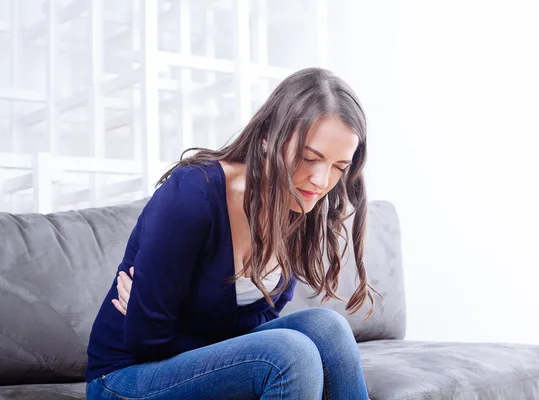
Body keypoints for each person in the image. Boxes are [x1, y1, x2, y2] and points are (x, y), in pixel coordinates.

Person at [85, 67, 378, 399]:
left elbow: (258, 321)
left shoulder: (299, 203)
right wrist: (227, 343)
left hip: (188, 362)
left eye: (340, 167)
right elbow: (145, 339)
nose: (321, 180)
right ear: (269, 138)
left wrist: (219, 341)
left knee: (328, 328)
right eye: (310, 158)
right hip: (125, 377)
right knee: (289, 353)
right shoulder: (192, 195)